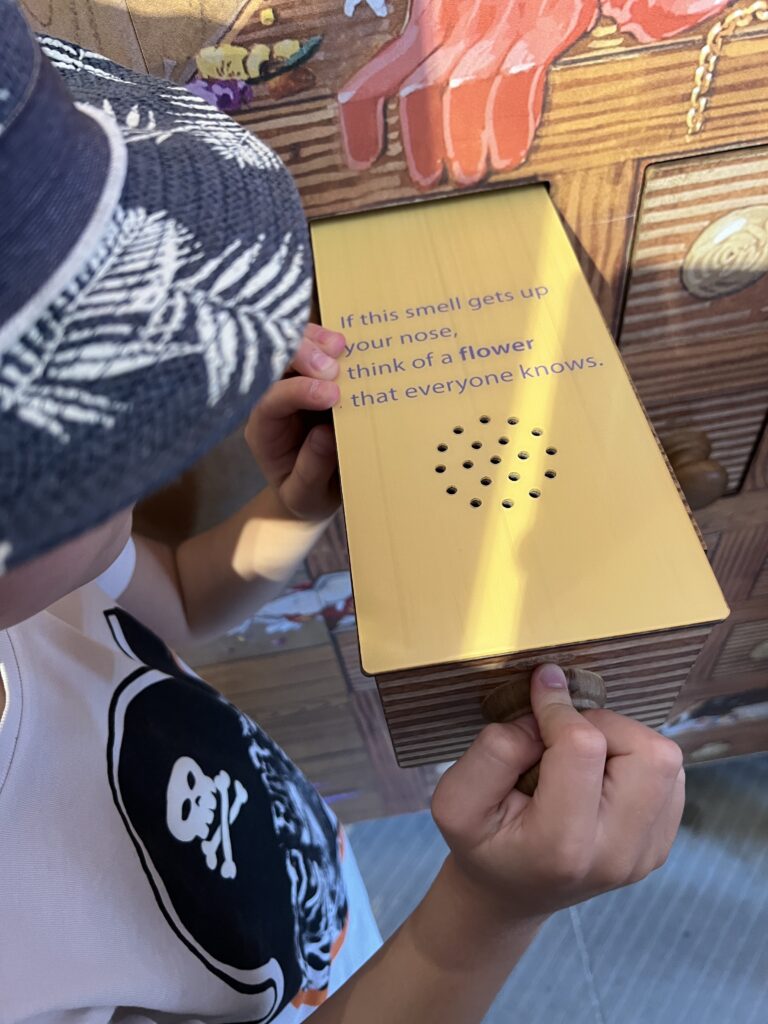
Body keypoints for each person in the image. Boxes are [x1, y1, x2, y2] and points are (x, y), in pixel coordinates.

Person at [0, 5, 685, 1022]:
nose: (143, 438)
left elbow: (176, 603)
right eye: (70, 441)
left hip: (303, 902)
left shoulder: (36, 597)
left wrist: (293, 506)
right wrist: (480, 922)